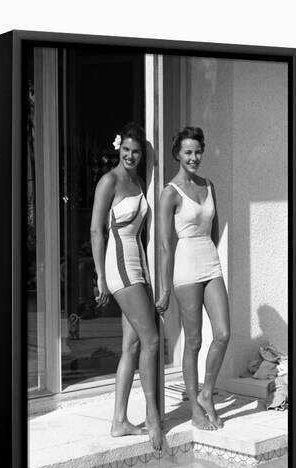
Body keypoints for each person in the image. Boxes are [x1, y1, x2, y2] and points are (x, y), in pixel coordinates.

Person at [90, 122, 163, 450]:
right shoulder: (110, 181)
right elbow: (96, 231)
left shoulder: (136, 180)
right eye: (126, 150)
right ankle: (152, 416)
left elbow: (141, 234)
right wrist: (100, 276)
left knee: (132, 346)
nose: (131, 156)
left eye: (136, 151)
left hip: (138, 267)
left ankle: (119, 421)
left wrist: (149, 276)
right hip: (118, 268)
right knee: (151, 340)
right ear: (118, 148)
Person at [156, 127, 230, 430]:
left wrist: (213, 256)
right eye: (188, 152)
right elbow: (164, 245)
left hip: (210, 263)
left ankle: (206, 394)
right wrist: (164, 290)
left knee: (223, 333)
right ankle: (196, 412)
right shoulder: (170, 193)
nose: (194, 157)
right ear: (178, 154)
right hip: (185, 267)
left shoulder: (209, 185)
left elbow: (214, 229)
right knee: (195, 341)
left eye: (198, 151)